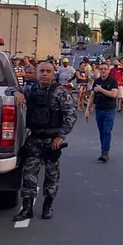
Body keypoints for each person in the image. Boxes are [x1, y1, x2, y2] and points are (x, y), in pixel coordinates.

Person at [12, 60, 77, 222]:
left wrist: (60, 136)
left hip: (52, 141)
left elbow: (71, 115)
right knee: (28, 175)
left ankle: (48, 206)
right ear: (37, 73)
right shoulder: (30, 90)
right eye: (42, 71)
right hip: (34, 139)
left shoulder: (61, 92)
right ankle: (27, 208)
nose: (45, 74)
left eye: (48, 71)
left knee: (51, 175)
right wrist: (15, 93)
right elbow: (10, 88)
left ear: (53, 73)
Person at [85, 61, 119, 162]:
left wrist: (101, 90)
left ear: (108, 70)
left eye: (105, 69)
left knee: (107, 130)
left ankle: (105, 153)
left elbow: (114, 94)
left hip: (109, 109)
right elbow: (92, 95)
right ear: (99, 70)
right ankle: (103, 150)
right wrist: (87, 109)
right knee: (101, 132)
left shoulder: (113, 81)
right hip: (99, 109)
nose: (103, 71)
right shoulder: (97, 81)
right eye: (101, 69)